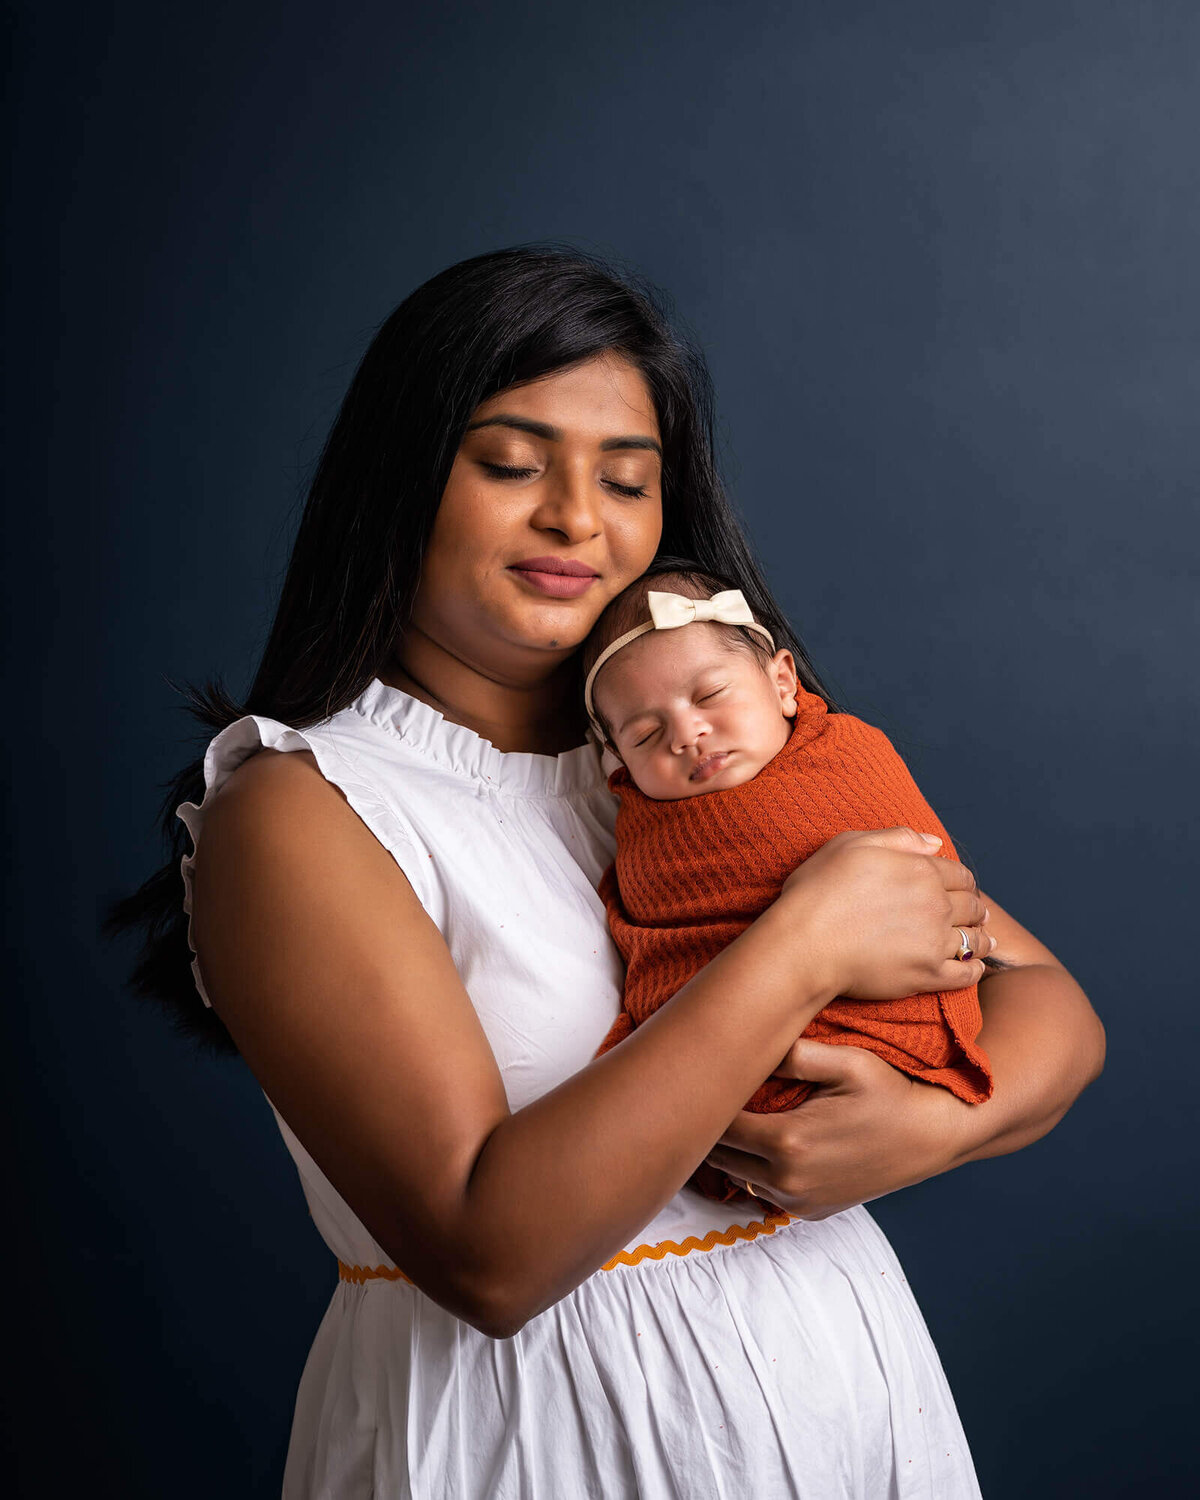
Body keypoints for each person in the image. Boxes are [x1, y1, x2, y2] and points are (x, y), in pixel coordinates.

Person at [108, 245, 1105, 1498]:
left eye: (626, 480)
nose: (578, 518)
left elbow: (1053, 1008)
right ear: (400, 479)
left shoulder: (687, 754)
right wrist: (800, 947)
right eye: (512, 465)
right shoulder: (303, 810)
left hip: (848, 1405)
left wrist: (924, 1126)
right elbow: (489, 1254)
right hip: (532, 1443)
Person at [580, 563, 997, 1206]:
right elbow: (669, 934)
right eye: (645, 733)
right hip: (726, 1085)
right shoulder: (646, 828)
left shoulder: (846, 756)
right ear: (619, 762)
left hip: (886, 1057)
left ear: (782, 682)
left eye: (711, 696)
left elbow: (957, 910)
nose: (688, 734)